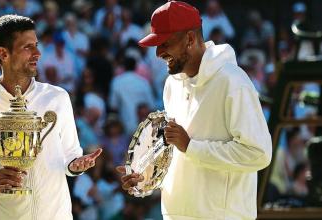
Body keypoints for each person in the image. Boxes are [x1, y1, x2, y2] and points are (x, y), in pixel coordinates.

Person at [116, 1, 272, 219]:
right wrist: (145, 175)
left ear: (190, 39)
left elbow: (259, 153)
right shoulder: (171, 84)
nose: (159, 53)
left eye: (165, 43)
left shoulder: (233, 82)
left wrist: (191, 146)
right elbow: (175, 155)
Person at [0, 15, 102, 219]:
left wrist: (75, 166)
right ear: (3, 53)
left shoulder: (58, 98)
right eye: (27, 47)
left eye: (36, 45)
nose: (38, 54)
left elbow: (71, 155)